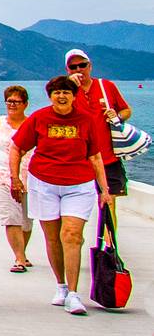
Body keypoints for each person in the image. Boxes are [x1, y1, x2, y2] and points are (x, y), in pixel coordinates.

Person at [11, 75, 112, 315]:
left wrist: (105, 190)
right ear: (50, 96)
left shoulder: (86, 120)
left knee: (72, 235)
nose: (62, 96)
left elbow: (95, 156)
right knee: (53, 237)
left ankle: (75, 295)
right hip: (43, 183)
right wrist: (15, 178)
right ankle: (61, 286)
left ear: (74, 96)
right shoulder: (39, 118)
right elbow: (18, 147)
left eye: (67, 92)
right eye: (57, 92)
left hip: (79, 184)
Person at [66, 48, 132, 216]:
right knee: (75, 206)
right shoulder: (66, 90)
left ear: (90, 66)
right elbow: (58, 112)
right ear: (68, 70)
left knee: (108, 202)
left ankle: (109, 241)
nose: (79, 70)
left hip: (107, 157)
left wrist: (116, 116)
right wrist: (69, 86)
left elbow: (126, 110)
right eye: (73, 67)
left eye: (82, 65)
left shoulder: (106, 86)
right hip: (79, 159)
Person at [0, 84, 34, 272]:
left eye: (17, 102)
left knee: (27, 221)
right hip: (2, 176)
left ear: (25, 104)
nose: (12, 105)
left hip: (29, 177)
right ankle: (19, 258)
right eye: (9, 101)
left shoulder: (32, 124)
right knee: (11, 218)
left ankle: (23, 252)